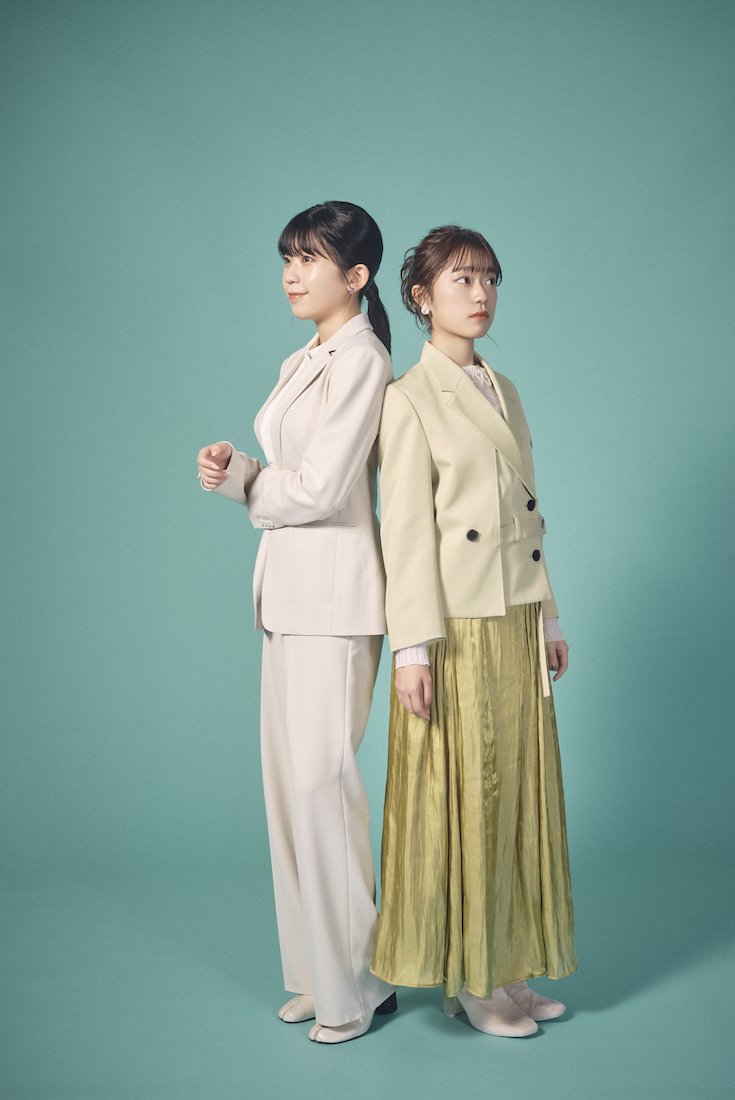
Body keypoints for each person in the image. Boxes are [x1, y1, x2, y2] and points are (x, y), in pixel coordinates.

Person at [196, 201, 396, 1044]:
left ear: (355, 276)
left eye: (309, 258)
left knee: (322, 789)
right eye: (288, 257)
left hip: (336, 601)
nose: (291, 273)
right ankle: (322, 975)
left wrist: (252, 485)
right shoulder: (303, 356)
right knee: (289, 792)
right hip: (286, 596)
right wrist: (237, 466)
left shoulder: (364, 358)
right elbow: (294, 472)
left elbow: (320, 488)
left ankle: (360, 985)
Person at [371, 225, 577, 1038]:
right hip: (456, 623)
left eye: (488, 277)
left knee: (516, 793)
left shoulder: (504, 388)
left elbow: (529, 514)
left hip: (515, 614)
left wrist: (548, 612)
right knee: (474, 796)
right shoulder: (407, 397)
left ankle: (509, 967)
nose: (480, 292)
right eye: (460, 279)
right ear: (420, 298)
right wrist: (410, 649)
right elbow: (404, 533)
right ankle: (475, 980)